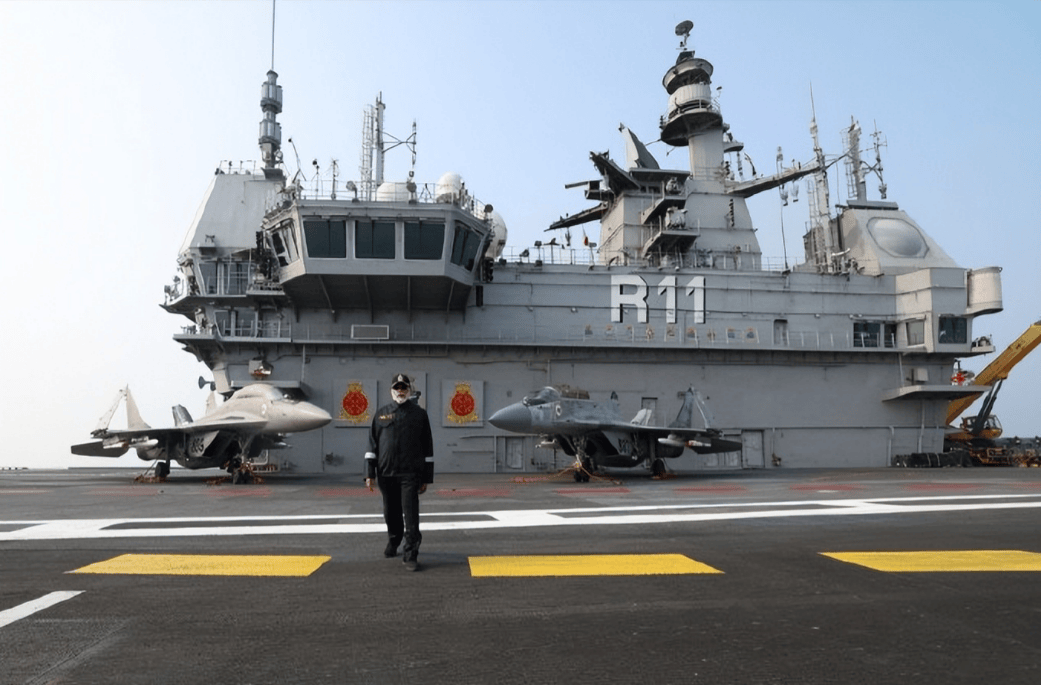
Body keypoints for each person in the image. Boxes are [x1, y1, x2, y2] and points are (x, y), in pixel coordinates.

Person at [365, 373, 434, 571]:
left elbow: (427, 447)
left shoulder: (419, 415)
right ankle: (394, 540)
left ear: (409, 390)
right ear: (392, 391)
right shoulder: (381, 414)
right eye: (397, 388)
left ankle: (411, 553)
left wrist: (426, 477)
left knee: (410, 514)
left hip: (410, 474)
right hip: (386, 474)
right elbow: (372, 445)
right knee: (390, 512)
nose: (401, 391)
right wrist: (369, 472)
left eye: (404, 387)